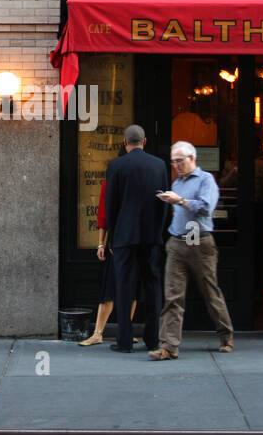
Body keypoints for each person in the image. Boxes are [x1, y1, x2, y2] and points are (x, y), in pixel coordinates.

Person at [149, 141, 235, 360]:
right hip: (177, 242)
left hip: (199, 242)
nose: (176, 165)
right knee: (172, 296)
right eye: (173, 162)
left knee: (210, 292)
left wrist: (180, 201)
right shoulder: (177, 183)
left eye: (179, 161)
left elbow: (207, 207)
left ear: (192, 158)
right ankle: (168, 346)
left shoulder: (206, 180)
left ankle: (226, 335)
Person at [104, 124, 169, 353]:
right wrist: (159, 232)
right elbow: (164, 203)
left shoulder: (116, 165)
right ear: (145, 141)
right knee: (152, 287)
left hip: (124, 237)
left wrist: (111, 235)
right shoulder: (159, 165)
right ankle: (152, 339)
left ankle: (124, 341)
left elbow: (111, 204)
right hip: (151, 237)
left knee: (124, 288)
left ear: (125, 143)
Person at [79, 167, 138, 347]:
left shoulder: (113, 182)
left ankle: (107, 333)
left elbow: (103, 216)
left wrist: (101, 243)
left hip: (123, 242)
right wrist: (101, 243)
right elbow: (103, 216)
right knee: (116, 289)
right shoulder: (122, 184)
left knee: (121, 289)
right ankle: (101, 332)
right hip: (127, 243)